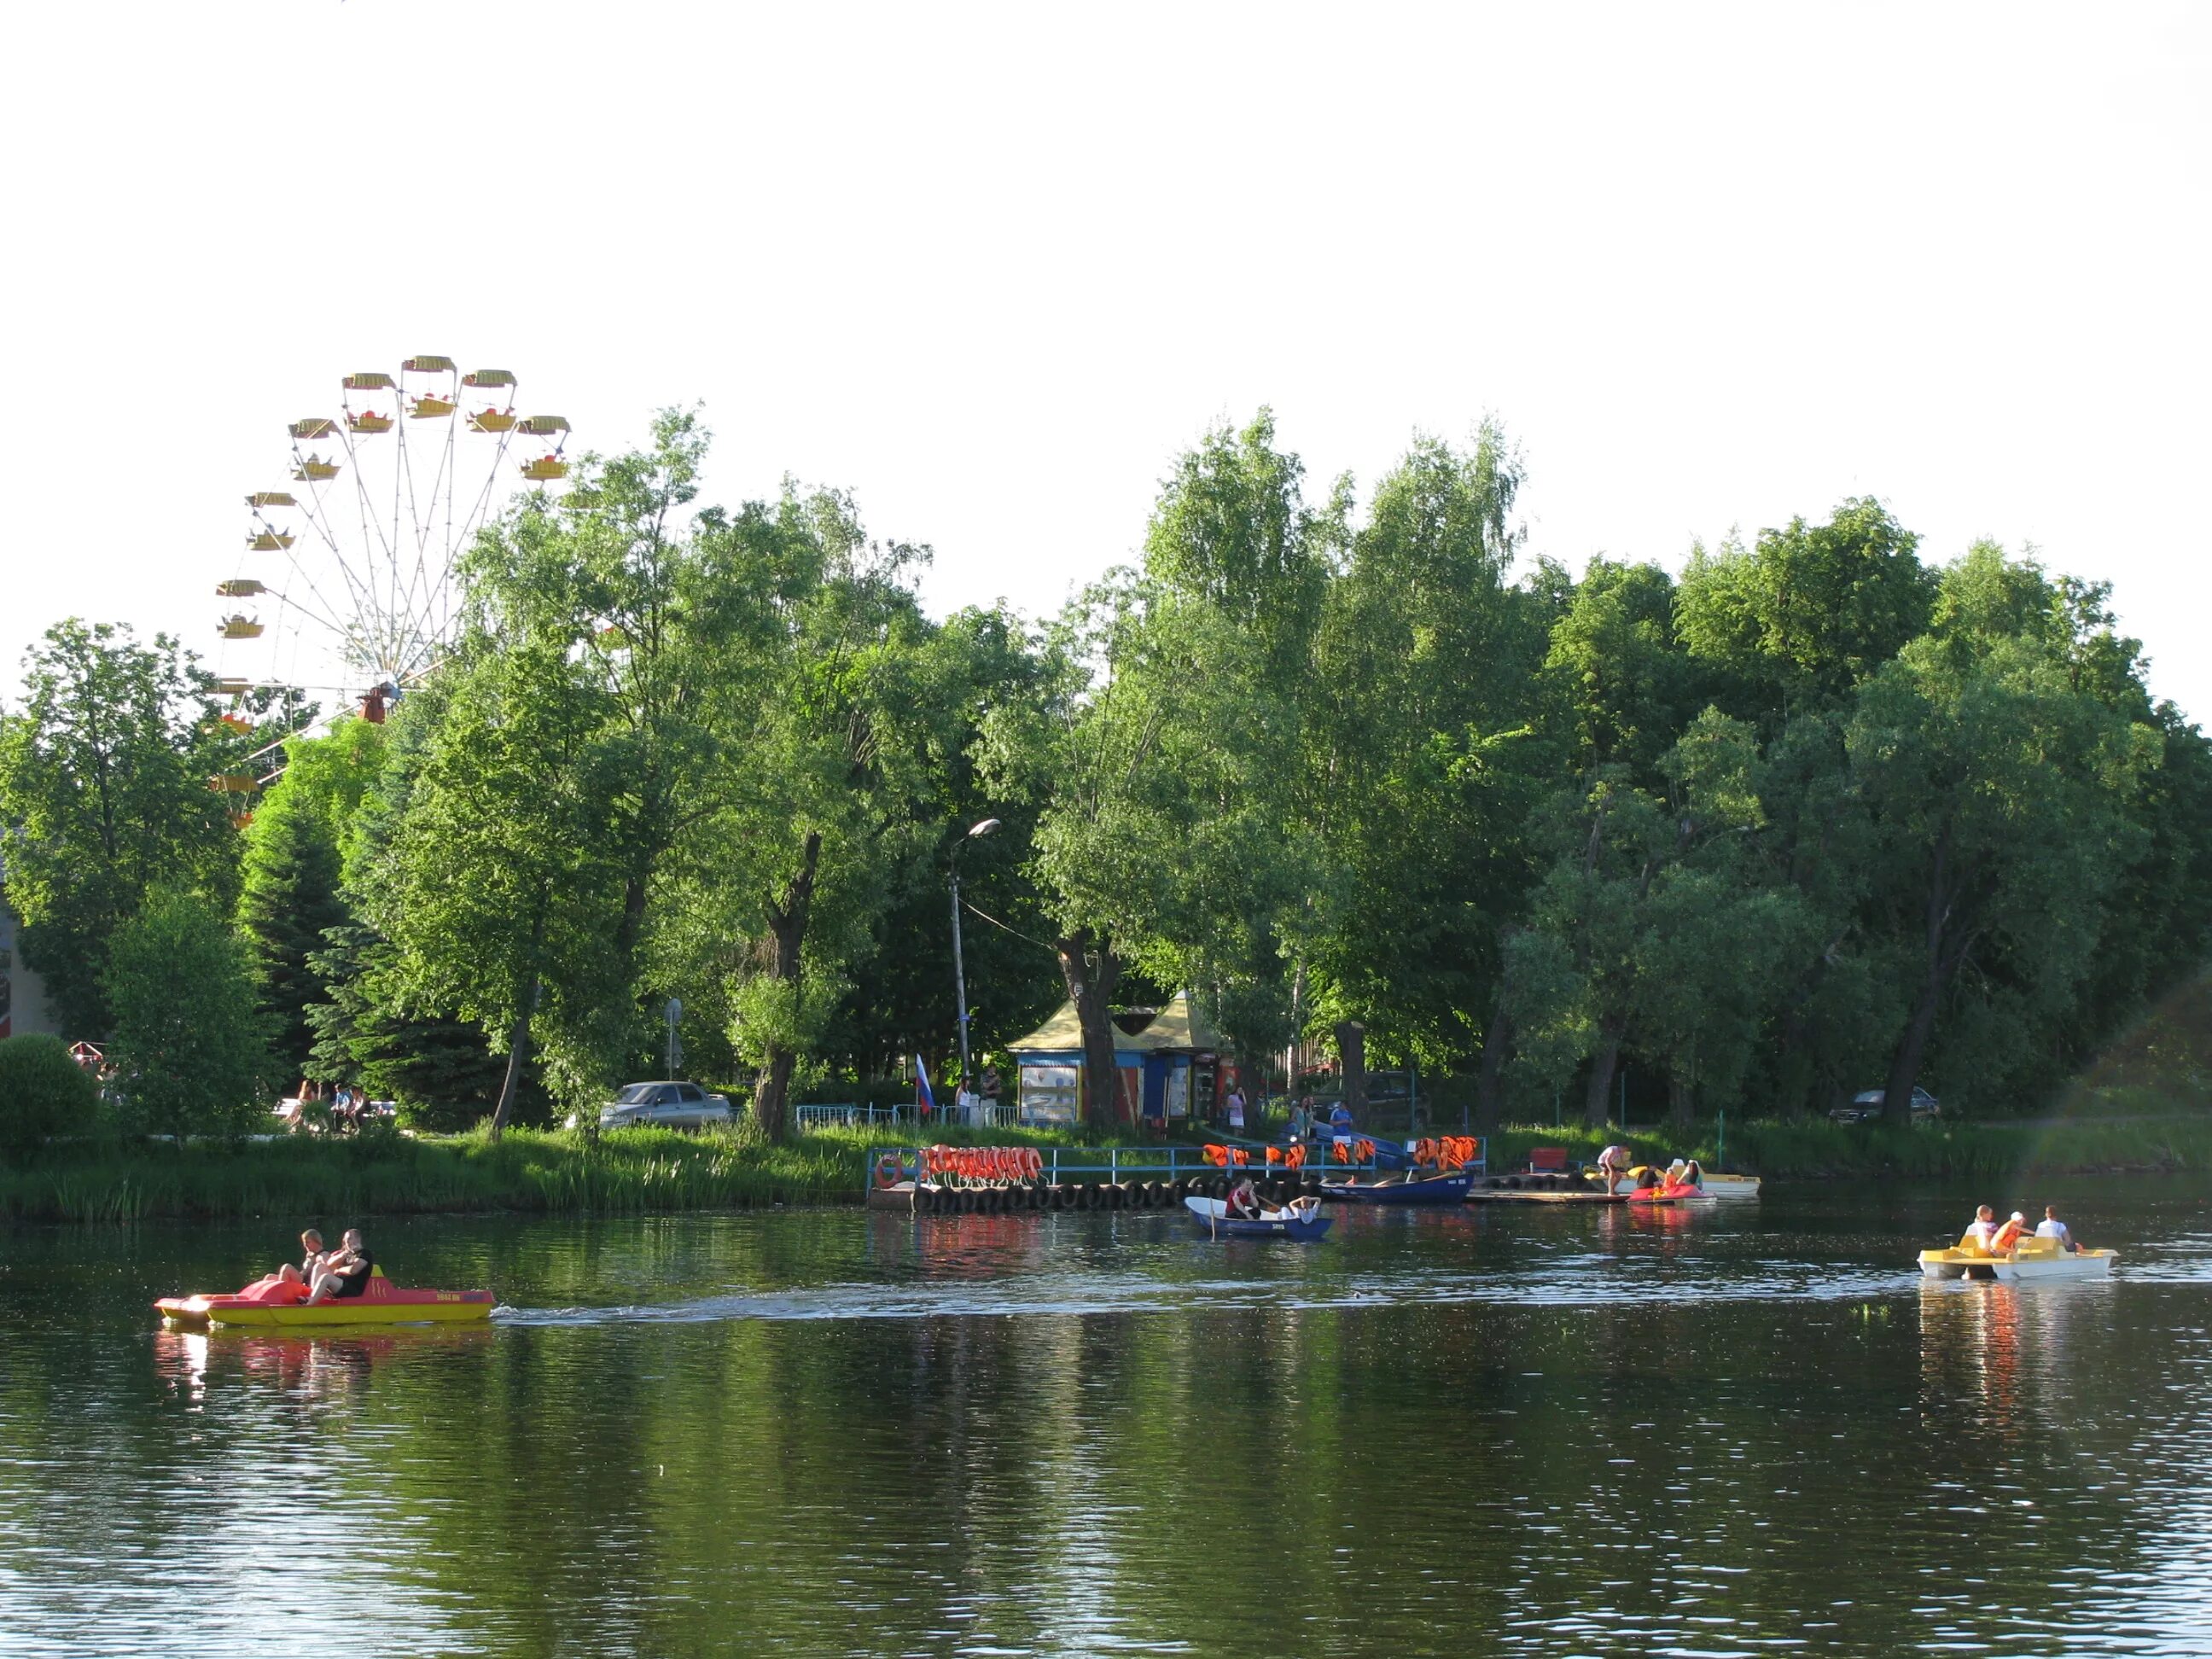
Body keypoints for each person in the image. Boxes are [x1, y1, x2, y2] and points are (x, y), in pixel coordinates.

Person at [305, 1228, 375, 1304]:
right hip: (341, 1284)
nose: (347, 1242)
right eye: (345, 1240)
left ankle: (309, 1305)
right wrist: (344, 1254)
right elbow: (329, 1263)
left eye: (350, 1239)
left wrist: (339, 1270)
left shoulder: (364, 1253)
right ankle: (312, 1297)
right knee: (319, 1266)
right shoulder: (348, 1254)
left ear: (358, 1239)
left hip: (352, 1289)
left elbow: (353, 1270)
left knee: (326, 1277)